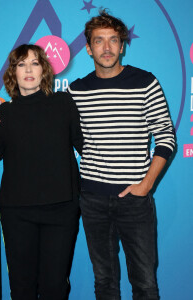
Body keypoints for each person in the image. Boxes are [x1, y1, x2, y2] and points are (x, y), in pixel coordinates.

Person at [67, 9, 176, 300]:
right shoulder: (76, 91)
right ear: (88, 48)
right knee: (104, 282)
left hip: (135, 200)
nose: (106, 47)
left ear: (122, 45)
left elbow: (166, 137)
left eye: (113, 40)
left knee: (144, 283)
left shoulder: (145, 82)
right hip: (92, 199)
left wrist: (146, 185)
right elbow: (53, 128)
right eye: (99, 41)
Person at [0, 44, 83, 300]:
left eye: (35, 63)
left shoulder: (64, 103)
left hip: (61, 210)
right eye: (21, 64)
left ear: (44, 70)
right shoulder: (2, 114)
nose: (28, 69)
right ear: (13, 73)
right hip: (17, 213)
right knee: (21, 288)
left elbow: (88, 147)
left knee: (55, 287)